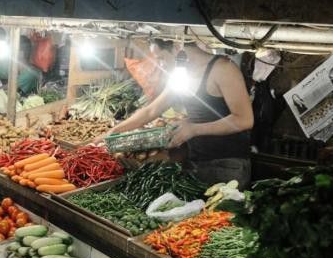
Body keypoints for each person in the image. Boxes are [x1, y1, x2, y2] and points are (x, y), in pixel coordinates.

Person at [97, 39, 254, 189]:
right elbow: (151, 110)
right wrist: (113, 133)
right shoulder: (180, 75)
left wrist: (194, 129)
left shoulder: (223, 69)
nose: (160, 64)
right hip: (195, 160)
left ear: (178, 47)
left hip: (227, 164)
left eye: (161, 58)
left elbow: (244, 120)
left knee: (220, 216)